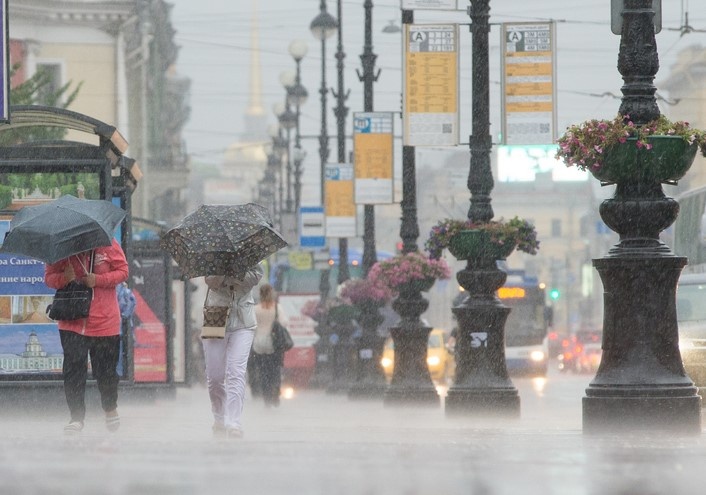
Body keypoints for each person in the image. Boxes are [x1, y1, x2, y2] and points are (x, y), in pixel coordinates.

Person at [44, 238, 129, 434]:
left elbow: (123, 271)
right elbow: (49, 278)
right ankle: (76, 417)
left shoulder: (108, 244)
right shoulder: (60, 248)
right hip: (71, 321)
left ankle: (109, 407)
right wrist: (63, 278)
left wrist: (98, 280)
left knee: (105, 372)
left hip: (105, 322)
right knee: (73, 370)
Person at [203, 264, 263, 439]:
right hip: (216, 317)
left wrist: (237, 272)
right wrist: (223, 272)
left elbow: (256, 276)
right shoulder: (213, 254)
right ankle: (219, 417)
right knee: (215, 376)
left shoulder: (248, 252)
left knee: (236, 372)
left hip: (243, 321)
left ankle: (234, 422)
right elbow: (210, 281)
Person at [252, 284, 283, 407]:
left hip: (259, 343)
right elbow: (284, 322)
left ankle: (266, 398)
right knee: (275, 370)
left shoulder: (255, 309)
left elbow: (251, 326)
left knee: (263, 371)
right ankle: (275, 392)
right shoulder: (277, 308)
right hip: (273, 343)